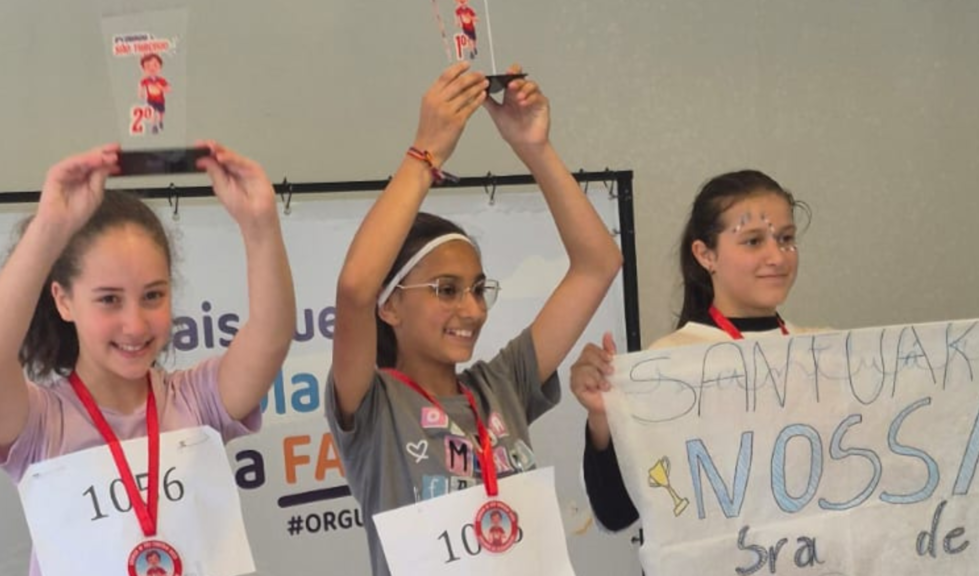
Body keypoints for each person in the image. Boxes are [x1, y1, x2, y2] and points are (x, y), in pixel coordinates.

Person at [326, 61, 622, 575]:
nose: (473, 309)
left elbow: (598, 264)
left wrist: (534, 147)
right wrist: (427, 154)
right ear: (389, 305)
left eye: (479, 289)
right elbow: (354, 289)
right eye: (446, 290)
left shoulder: (500, 386)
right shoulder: (374, 406)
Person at [0, 142, 295, 576]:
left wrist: (260, 226)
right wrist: (48, 230)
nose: (135, 324)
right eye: (109, 300)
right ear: (63, 300)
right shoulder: (41, 424)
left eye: (153, 295)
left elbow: (271, 336)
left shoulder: (196, 400)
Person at [571, 169, 812, 531]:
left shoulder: (822, 355)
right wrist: (603, 418)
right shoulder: (670, 364)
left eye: (786, 238)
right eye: (753, 241)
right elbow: (616, 512)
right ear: (705, 254)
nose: (777, 257)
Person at [138, 54, 169, 133]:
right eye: (148, 66)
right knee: (153, 113)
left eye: (155, 65)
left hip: (160, 100)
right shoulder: (146, 80)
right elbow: (141, 85)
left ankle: (160, 121)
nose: (152, 69)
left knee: (161, 112)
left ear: (160, 67)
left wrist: (161, 88)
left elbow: (168, 89)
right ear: (144, 69)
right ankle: (154, 126)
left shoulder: (161, 80)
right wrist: (141, 93)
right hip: (151, 100)